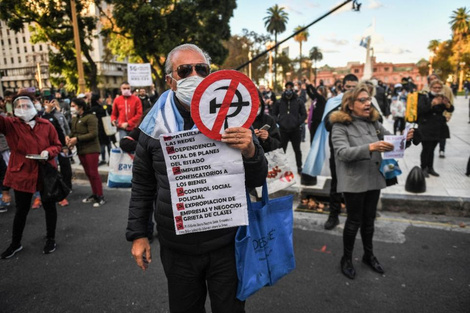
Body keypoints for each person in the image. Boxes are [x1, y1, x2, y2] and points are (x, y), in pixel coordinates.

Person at [126, 43, 267, 313]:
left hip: (227, 243)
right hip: (178, 248)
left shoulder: (233, 118)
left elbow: (257, 178)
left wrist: (250, 149)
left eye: (201, 69)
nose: (194, 76)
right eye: (184, 70)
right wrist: (138, 235)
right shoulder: (152, 126)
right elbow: (142, 185)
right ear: (170, 81)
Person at [330, 84, 414, 279]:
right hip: (354, 181)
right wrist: (371, 147)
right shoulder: (340, 126)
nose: (368, 103)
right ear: (350, 105)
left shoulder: (374, 123)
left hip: (374, 178)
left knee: (369, 222)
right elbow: (342, 153)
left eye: (368, 99)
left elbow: (391, 143)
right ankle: (347, 259)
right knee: (353, 222)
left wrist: (405, 139)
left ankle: (369, 255)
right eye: (362, 100)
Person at [0, 92, 62, 259]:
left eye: (27, 105)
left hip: (44, 171)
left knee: (49, 206)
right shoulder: (10, 125)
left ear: (34, 106)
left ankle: (51, 239)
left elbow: (57, 145)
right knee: (21, 209)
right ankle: (15, 243)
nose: (24, 108)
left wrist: (48, 152)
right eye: (20, 106)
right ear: (13, 110)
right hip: (22, 173)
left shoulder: (46, 125)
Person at [303, 74, 359, 230]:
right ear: (343, 87)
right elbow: (327, 124)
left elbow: (378, 122)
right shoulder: (334, 102)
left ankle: (354, 216)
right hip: (339, 151)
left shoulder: (365, 102)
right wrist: (343, 112)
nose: (351, 90)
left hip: (359, 151)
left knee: (357, 185)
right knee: (337, 184)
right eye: (348, 87)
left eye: (354, 86)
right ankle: (333, 215)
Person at [67, 98, 106, 207]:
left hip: (91, 149)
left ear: (81, 107)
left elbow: (93, 134)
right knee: (89, 173)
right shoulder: (75, 118)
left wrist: (77, 139)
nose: (72, 108)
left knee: (94, 173)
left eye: (73, 105)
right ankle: (94, 194)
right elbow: (73, 132)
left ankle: (100, 196)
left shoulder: (91, 117)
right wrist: (69, 138)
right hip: (81, 149)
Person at [417, 80, 454, 177]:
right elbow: (420, 110)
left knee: (432, 148)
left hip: (439, 126)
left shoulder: (442, 97)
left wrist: (447, 105)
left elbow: (450, 109)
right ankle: (423, 167)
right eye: (435, 87)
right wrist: (432, 104)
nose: (437, 89)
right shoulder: (424, 97)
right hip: (426, 127)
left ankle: (430, 168)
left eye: (439, 88)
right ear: (430, 88)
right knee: (426, 148)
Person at [272, 81, 307, 174]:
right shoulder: (279, 102)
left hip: (295, 130)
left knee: (297, 150)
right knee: (282, 150)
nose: (288, 89)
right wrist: (279, 122)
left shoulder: (299, 101)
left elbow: (304, 114)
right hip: (283, 130)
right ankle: (280, 168)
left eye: (290, 87)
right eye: (287, 87)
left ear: (293, 89)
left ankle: (299, 167)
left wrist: (298, 123)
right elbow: (274, 113)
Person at [43, 99, 72, 207]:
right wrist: (47, 112)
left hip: (61, 145)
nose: (51, 104)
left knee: (66, 168)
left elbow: (65, 128)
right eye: (49, 102)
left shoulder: (59, 114)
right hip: (49, 147)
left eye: (53, 102)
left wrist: (66, 143)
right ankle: (53, 191)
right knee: (52, 170)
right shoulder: (42, 115)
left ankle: (65, 190)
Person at [89, 93, 112, 166]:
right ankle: (110, 159)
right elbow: (109, 111)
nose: (102, 100)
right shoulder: (100, 108)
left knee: (101, 145)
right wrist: (109, 104)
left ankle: (103, 159)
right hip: (104, 129)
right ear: (97, 100)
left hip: (97, 130)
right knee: (108, 144)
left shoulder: (91, 109)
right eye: (100, 98)